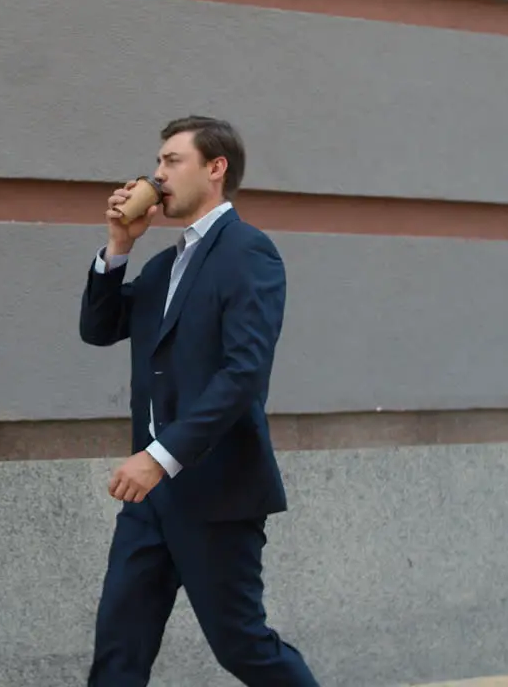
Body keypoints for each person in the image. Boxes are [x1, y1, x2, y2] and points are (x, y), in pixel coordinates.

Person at [79, 115, 319, 686]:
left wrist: (159, 456)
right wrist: (118, 246)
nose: (157, 175)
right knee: (119, 650)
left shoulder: (249, 253)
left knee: (244, 648)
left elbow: (243, 377)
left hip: (215, 494)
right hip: (151, 500)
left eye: (171, 161)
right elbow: (99, 326)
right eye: (158, 162)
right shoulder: (165, 265)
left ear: (216, 169)